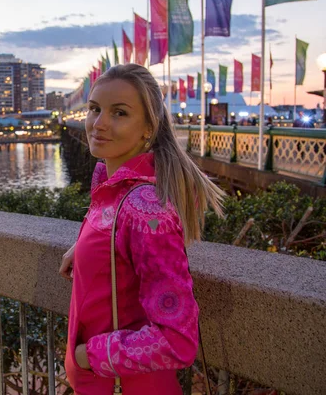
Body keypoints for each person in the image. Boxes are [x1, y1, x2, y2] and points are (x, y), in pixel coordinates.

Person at [59, 64, 224, 394]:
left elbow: (177, 339)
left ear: (149, 127)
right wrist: (87, 246)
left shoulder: (145, 207)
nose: (99, 123)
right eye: (94, 109)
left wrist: (87, 356)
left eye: (119, 113)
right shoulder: (113, 193)